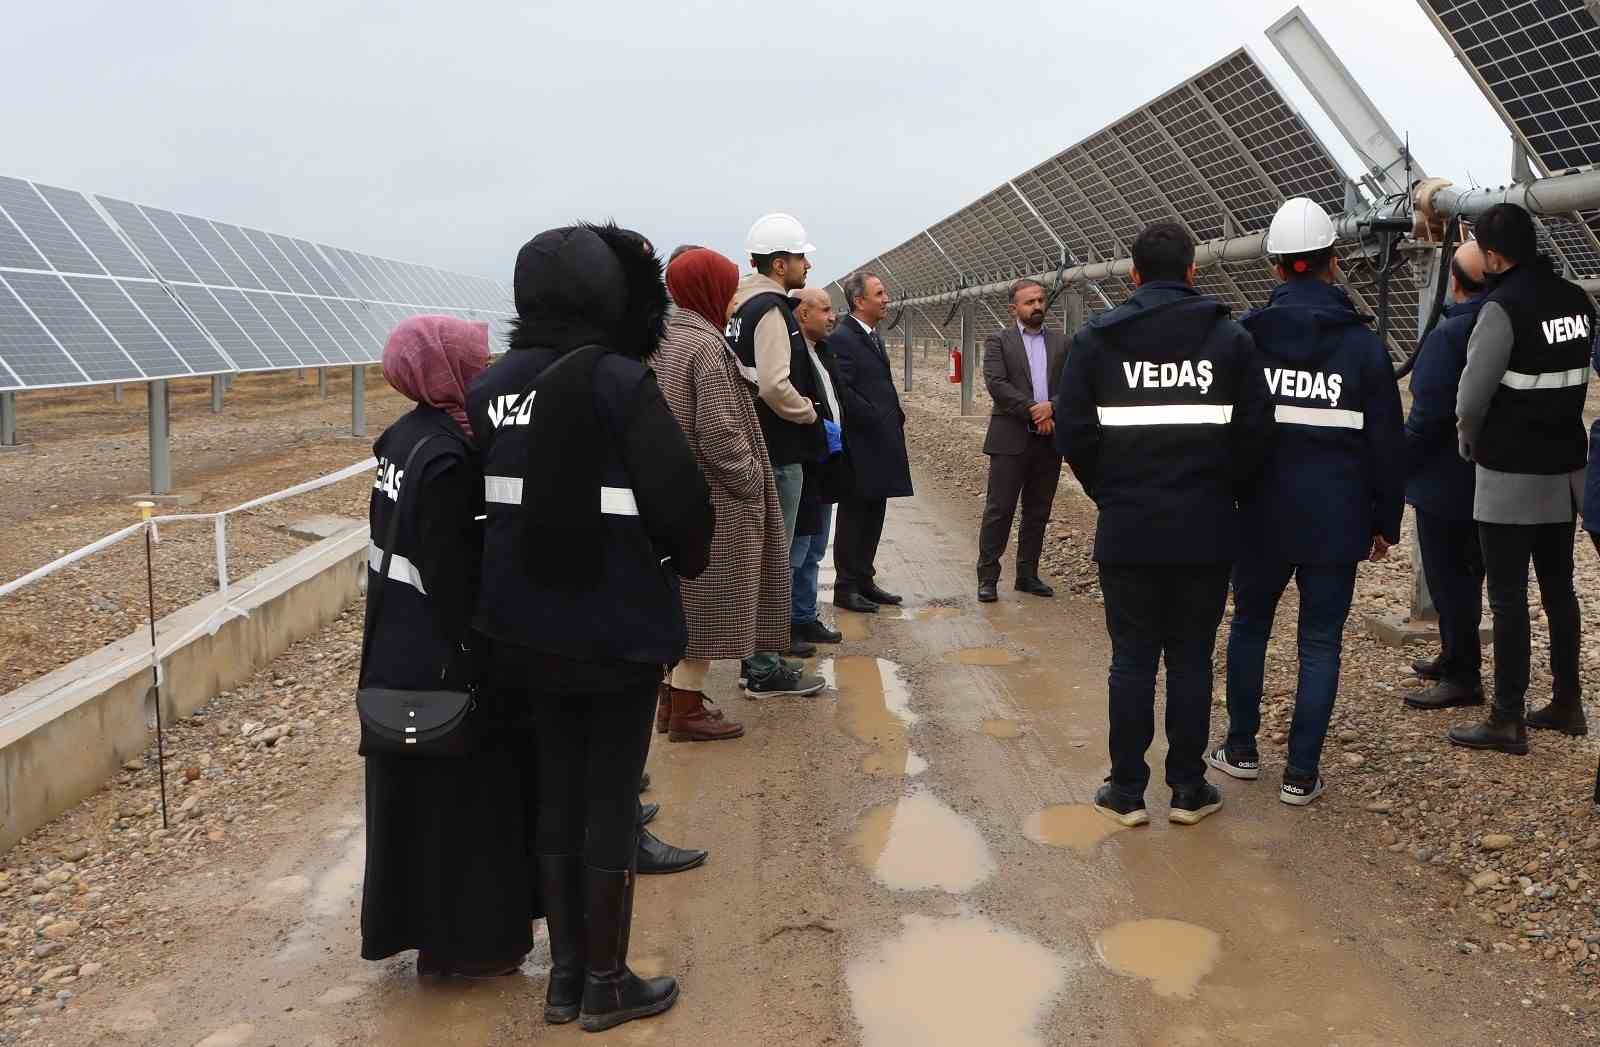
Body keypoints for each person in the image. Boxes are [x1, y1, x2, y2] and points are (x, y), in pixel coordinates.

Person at [469, 223, 716, 1032]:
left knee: (555, 796)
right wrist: (682, 556)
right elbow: (682, 509)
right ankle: (606, 983)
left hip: (518, 629)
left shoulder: (490, 385)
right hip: (612, 630)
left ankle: (564, 978)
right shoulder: (617, 381)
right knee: (608, 797)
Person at [1055, 222, 1275, 828]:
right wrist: (1219, 490)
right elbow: (1256, 435)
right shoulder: (1230, 340)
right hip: (1204, 529)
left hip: (1128, 527)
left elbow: (1073, 432)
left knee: (1130, 659)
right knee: (1190, 658)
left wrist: (1112, 490)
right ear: (1192, 272)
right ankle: (1187, 788)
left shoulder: (1096, 342)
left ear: (1132, 275)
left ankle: (1126, 792)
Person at [1209, 198, 1405, 807]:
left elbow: (1225, 429)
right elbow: (1386, 445)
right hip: (1337, 519)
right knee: (1319, 643)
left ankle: (1240, 750)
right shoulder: (1365, 348)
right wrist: (1385, 522)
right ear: (1333, 264)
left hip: (1259, 515)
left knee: (1249, 625)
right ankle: (1301, 773)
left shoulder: (1243, 338)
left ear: (1274, 267)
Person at [359, 315, 536, 978]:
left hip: (397, 652)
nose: (485, 366)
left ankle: (422, 931)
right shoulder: (448, 458)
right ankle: (469, 946)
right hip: (444, 664)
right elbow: (455, 578)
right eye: (474, 356)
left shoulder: (402, 439)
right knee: (464, 806)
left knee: (413, 806)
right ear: (446, 367)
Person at [1451, 203, 1593, 752]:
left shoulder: (1500, 309)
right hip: (1566, 472)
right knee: (1560, 591)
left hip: (1510, 473)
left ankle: (1506, 718)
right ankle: (1567, 701)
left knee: (1508, 597)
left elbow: (1471, 398)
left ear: (1491, 255)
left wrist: (1469, 439)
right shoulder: (1576, 300)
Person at [655, 247, 800, 723]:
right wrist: (752, 479)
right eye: (729, 285)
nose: (735, 296)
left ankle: (671, 699)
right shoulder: (706, 346)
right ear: (708, 289)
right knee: (711, 607)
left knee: (687, 603)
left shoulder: (669, 338)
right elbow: (719, 431)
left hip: (687, 490)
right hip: (720, 498)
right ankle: (687, 710)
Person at [728, 214, 832, 682]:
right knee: (775, 558)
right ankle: (763, 664)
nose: (806, 264)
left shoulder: (738, 310)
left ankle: (760, 655)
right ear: (778, 263)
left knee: (763, 555)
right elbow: (773, 384)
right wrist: (809, 412)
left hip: (757, 445)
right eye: (800, 257)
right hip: (779, 449)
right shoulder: (770, 310)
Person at [1403, 240, 1489, 710]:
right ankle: (1455, 654)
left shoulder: (1449, 335)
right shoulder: (1499, 324)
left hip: (1445, 482)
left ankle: (1462, 674)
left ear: (1453, 282)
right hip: (1486, 477)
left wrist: (1393, 463)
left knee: (1449, 578)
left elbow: (1428, 416)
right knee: (1468, 576)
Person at [977, 278, 1069, 603]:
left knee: (1038, 511)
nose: (1037, 307)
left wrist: (1053, 408)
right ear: (1014, 308)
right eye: (1029, 302)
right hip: (1010, 438)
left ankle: (1027, 575)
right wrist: (1034, 411)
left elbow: (1073, 384)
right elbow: (997, 384)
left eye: (1041, 300)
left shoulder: (1061, 342)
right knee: (999, 509)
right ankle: (987, 577)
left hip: (1048, 440)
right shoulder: (998, 341)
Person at [829, 271, 914, 612]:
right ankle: (845, 586)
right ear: (859, 301)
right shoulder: (842, 339)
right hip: (860, 444)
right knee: (855, 514)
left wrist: (893, 414)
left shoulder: (872, 336)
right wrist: (875, 417)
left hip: (879, 440)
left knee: (874, 511)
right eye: (879, 294)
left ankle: (864, 579)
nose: (886, 299)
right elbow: (843, 391)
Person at [789, 287, 849, 646]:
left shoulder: (824, 352)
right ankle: (785, 624)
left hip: (826, 460)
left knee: (815, 546)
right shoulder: (794, 354)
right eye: (824, 310)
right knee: (797, 547)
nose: (831, 317)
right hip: (805, 462)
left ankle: (804, 616)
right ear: (802, 313)